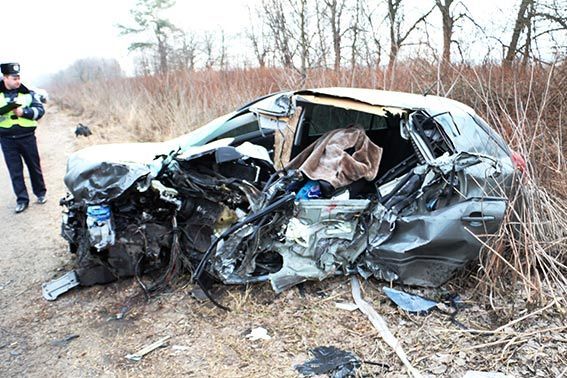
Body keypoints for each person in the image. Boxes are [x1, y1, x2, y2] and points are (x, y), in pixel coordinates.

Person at [0, 62, 46, 213]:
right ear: (5, 78)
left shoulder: (28, 93)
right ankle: (22, 200)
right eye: (14, 78)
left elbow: (40, 110)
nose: (17, 81)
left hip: (27, 137)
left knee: (34, 167)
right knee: (15, 171)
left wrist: (24, 113)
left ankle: (40, 193)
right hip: (6, 139)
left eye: (18, 77)